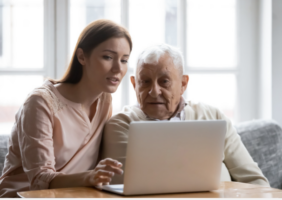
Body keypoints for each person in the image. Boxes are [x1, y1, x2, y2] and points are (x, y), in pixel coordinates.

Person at [101, 44, 270, 186]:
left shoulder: (213, 116)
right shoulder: (121, 124)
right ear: (134, 84)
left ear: (183, 84)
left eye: (164, 81)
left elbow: (254, 180)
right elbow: (123, 185)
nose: (154, 91)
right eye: (145, 82)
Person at [0, 19, 132, 197]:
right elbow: (40, 179)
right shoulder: (40, 103)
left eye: (124, 60)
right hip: (25, 196)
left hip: (74, 195)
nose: (118, 68)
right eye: (108, 57)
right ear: (82, 57)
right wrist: (89, 177)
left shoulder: (105, 100)